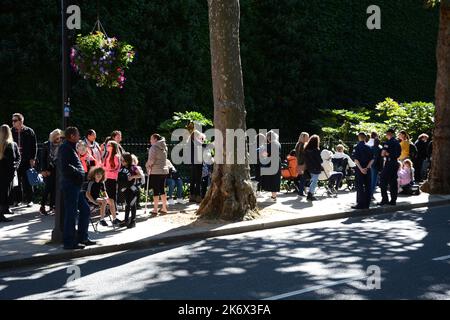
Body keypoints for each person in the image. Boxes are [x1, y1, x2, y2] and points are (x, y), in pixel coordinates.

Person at [58, 127, 96, 250]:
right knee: (71, 213)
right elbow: (64, 166)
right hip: (70, 184)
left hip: (75, 185)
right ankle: (69, 242)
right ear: (72, 136)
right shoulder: (65, 148)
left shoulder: (71, 147)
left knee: (85, 210)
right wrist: (78, 173)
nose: (79, 136)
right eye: (77, 135)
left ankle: (82, 237)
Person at [11, 113, 37, 206]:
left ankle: (29, 200)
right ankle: (17, 200)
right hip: (15, 160)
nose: (13, 122)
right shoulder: (10, 131)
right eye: (12, 120)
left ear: (21, 121)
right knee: (16, 181)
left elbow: (34, 146)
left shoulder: (29, 131)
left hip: (26, 160)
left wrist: (33, 158)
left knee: (27, 181)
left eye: (15, 120)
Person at [39, 129, 63, 215]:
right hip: (49, 169)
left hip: (58, 169)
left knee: (55, 188)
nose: (59, 140)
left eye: (60, 138)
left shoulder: (62, 145)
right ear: (53, 137)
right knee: (48, 188)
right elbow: (43, 158)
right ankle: (42, 206)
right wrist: (43, 170)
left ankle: (52, 206)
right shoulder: (47, 144)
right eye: (57, 138)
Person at [0, 125, 20, 222]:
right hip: (6, 173)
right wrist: (14, 168)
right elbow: (13, 160)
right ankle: (1, 215)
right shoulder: (10, 144)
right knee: (4, 193)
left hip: (3, 172)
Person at [118, 153, 144, 228]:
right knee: (127, 204)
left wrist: (132, 177)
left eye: (123, 160)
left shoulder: (133, 167)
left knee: (132, 204)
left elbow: (140, 175)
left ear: (128, 160)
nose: (122, 162)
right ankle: (126, 220)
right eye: (121, 160)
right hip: (125, 189)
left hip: (133, 188)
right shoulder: (121, 167)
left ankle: (133, 221)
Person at [146, 133, 169, 215]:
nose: (150, 140)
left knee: (156, 190)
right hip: (163, 171)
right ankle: (164, 207)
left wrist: (147, 166)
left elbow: (151, 160)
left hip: (155, 171)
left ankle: (155, 209)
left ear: (155, 139)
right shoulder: (164, 147)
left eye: (151, 139)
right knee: (162, 189)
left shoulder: (154, 147)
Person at [378, 128, 402, 206]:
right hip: (395, 163)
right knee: (393, 182)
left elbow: (382, 153)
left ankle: (385, 199)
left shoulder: (388, 142)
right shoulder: (397, 142)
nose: (386, 135)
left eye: (386, 134)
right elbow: (398, 154)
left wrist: (387, 154)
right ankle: (393, 200)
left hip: (389, 163)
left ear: (389, 134)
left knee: (382, 180)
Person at [352, 132, 374, 209]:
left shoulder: (356, 147)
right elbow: (372, 159)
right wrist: (367, 168)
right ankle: (367, 204)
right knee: (368, 186)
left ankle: (360, 204)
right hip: (368, 170)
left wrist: (361, 169)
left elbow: (356, 160)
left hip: (359, 169)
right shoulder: (369, 147)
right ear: (365, 138)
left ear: (359, 137)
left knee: (360, 186)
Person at [260, 130, 281, 201]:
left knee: (272, 179)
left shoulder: (270, 145)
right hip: (277, 161)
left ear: (269, 137)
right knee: (275, 179)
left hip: (271, 163)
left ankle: (273, 197)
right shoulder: (278, 143)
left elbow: (264, 155)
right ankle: (274, 196)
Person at [103, 140, 121, 219]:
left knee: (112, 194)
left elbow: (117, 168)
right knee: (108, 194)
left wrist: (107, 170)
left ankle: (114, 209)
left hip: (113, 177)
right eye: (107, 145)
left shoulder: (116, 156)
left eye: (109, 145)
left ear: (113, 147)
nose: (107, 147)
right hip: (106, 177)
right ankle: (111, 209)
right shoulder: (107, 155)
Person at [303, 135, 322, 201]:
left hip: (309, 167)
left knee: (312, 181)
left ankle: (310, 194)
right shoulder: (316, 150)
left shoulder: (306, 149)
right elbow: (319, 160)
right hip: (316, 167)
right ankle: (310, 194)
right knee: (314, 182)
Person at [188, 130, 205, 203]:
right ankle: (196, 196)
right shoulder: (196, 143)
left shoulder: (191, 142)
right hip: (196, 163)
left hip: (194, 163)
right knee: (196, 180)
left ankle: (193, 196)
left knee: (194, 180)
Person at [294, 132, 309, 197]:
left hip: (300, 163)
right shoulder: (302, 144)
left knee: (302, 178)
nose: (308, 138)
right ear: (303, 137)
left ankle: (301, 190)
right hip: (303, 164)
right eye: (307, 137)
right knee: (304, 178)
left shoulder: (298, 144)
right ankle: (301, 191)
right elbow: (304, 155)